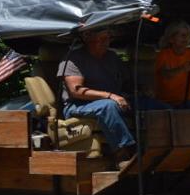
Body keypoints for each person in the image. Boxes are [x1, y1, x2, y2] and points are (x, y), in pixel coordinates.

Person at [57, 27, 167, 163]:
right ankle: (126, 153)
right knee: (107, 106)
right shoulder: (73, 59)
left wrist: (142, 89)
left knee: (151, 103)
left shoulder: (112, 57)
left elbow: (127, 83)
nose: (106, 42)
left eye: (109, 38)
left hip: (113, 101)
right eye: (102, 38)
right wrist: (110, 95)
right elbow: (76, 91)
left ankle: (161, 147)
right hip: (78, 105)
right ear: (87, 37)